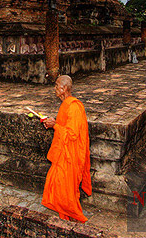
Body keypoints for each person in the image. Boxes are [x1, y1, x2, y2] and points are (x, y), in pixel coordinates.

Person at [42, 75, 92, 222]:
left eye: (57, 86)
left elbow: (72, 134)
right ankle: (65, 215)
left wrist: (55, 125)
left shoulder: (74, 106)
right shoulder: (65, 104)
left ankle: (76, 216)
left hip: (71, 155)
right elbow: (65, 126)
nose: (55, 88)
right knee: (56, 184)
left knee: (67, 191)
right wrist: (53, 122)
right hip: (63, 152)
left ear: (64, 89)